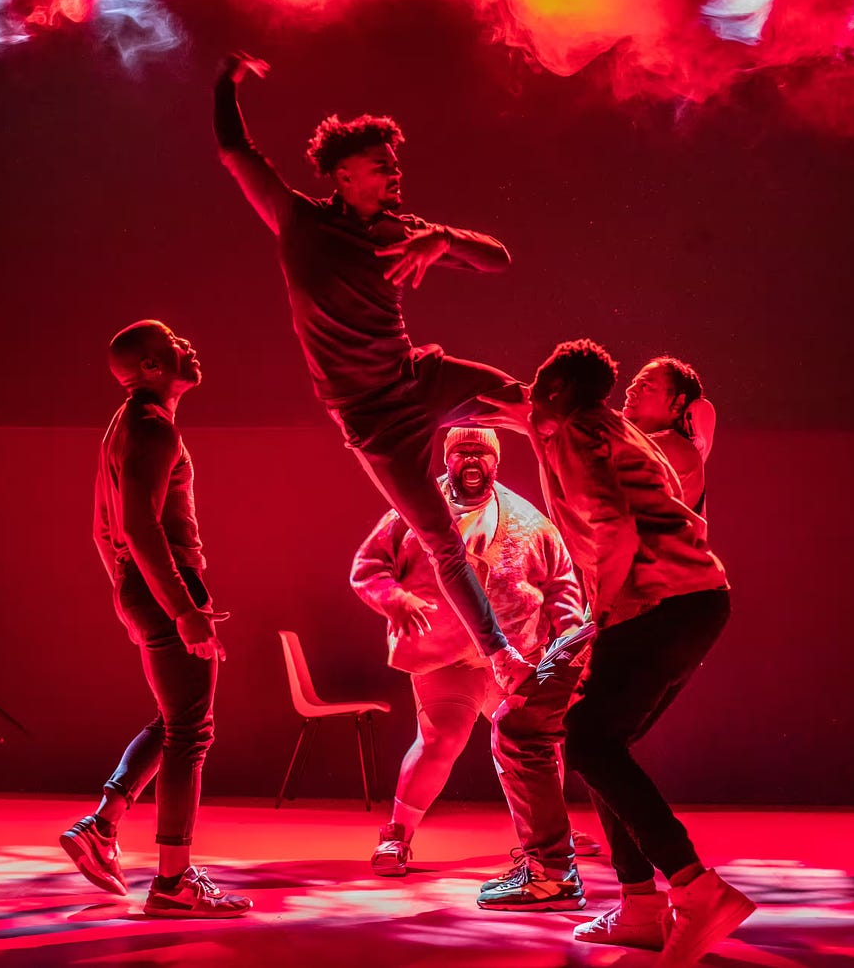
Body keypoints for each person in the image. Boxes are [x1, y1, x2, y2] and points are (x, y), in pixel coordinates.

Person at [214, 51, 534, 697]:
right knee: (441, 541)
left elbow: (500, 260)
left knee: (533, 406)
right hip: (373, 421)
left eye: (395, 161)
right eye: (380, 163)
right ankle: (499, 654)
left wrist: (443, 238)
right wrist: (226, 79)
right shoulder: (298, 222)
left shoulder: (401, 230)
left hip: (416, 378)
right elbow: (234, 151)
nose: (394, 171)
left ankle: (597, 526)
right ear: (341, 174)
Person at [481, 340, 753, 964]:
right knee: (595, 740)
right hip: (695, 600)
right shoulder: (592, 422)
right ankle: (641, 906)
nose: (528, 399)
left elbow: (614, 529)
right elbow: (500, 403)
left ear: (559, 395)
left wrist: (601, 618)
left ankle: (695, 887)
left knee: (589, 740)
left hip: (662, 603)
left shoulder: (581, 434)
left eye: (538, 390)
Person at [59, 320, 252, 918]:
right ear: (149, 366)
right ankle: (173, 882)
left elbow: (100, 529)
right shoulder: (150, 428)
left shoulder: (127, 425)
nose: (190, 347)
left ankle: (103, 826)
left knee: (176, 719)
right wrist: (182, 610)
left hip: (143, 590)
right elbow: (140, 528)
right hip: (166, 592)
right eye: (174, 345)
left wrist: (127, 594)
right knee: (192, 731)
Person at [351, 428, 589, 909]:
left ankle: (545, 842)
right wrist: (394, 598)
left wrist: (568, 650)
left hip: (518, 658)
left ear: (497, 462)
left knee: (535, 746)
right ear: (448, 458)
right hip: (446, 654)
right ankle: (396, 834)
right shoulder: (413, 511)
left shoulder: (531, 522)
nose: (472, 459)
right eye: (462, 451)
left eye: (482, 451)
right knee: (442, 738)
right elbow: (367, 567)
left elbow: (564, 588)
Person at [621, 355, 715, 514]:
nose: (629, 391)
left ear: (678, 403)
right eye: (633, 383)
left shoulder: (678, 450)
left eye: (645, 385)